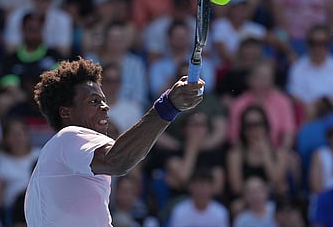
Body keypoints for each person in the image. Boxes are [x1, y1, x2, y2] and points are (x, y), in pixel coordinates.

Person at [24, 57, 204, 226]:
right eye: (94, 101)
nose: (105, 106)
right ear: (65, 112)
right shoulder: (68, 136)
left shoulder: (57, 155)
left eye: (103, 100)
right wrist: (168, 106)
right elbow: (117, 160)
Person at [286, 24, 333, 122]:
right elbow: (297, 102)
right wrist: (317, 105)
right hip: (310, 119)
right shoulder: (297, 69)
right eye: (313, 43)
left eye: (323, 43)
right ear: (307, 44)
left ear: (329, 44)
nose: (318, 48)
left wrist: (330, 104)